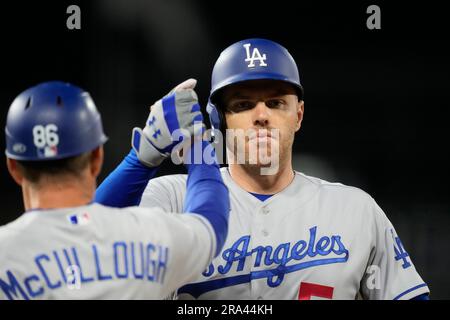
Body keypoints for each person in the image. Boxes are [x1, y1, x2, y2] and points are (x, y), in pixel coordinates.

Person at [95, 38, 429, 300]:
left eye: (275, 103)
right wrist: (139, 161)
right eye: (243, 104)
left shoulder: (356, 210)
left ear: (297, 115)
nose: (261, 115)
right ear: (220, 119)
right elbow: (90, 240)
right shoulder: (173, 197)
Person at [0, 80, 229, 299]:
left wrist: (139, 160)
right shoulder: (148, 234)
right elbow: (212, 223)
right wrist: (194, 142)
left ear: (13, 167)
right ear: (97, 158)